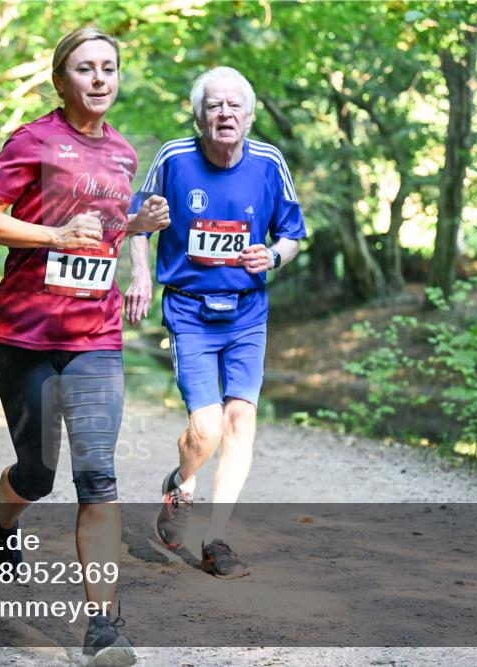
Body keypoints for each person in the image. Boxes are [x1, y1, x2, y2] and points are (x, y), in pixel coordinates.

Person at [0, 28, 169, 664]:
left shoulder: (123, 155)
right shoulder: (31, 140)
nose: (101, 79)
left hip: (95, 334)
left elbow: (101, 233)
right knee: (38, 473)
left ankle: (103, 626)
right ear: (62, 80)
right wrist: (53, 235)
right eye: (86, 69)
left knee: (97, 475)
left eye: (110, 68)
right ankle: (1, 517)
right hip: (25, 335)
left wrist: (133, 226)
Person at [127, 66, 306, 578]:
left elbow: (292, 234)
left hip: (247, 313)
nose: (224, 113)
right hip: (189, 309)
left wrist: (271, 257)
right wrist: (141, 275)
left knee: (240, 420)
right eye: (213, 105)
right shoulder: (174, 158)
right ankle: (181, 485)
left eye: (234, 106)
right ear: (199, 116)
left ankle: (216, 538)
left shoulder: (269, 162)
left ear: (248, 117)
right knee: (204, 429)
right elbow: (138, 224)